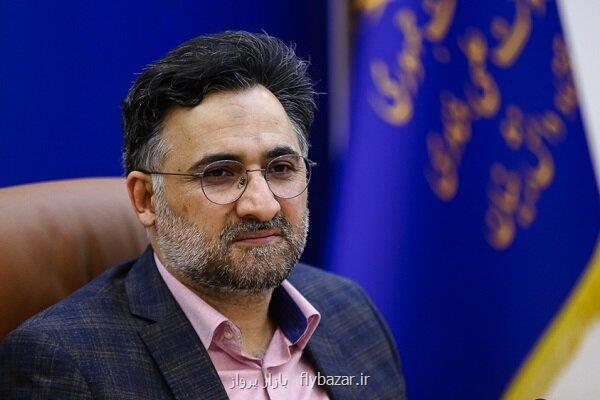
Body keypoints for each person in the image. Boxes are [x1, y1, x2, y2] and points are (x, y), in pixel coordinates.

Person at [0, 31, 405, 399]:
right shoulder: (65, 363)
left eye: (281, 168)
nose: (262, 205)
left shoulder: (349, 310)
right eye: (220, 174)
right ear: (146, 198)